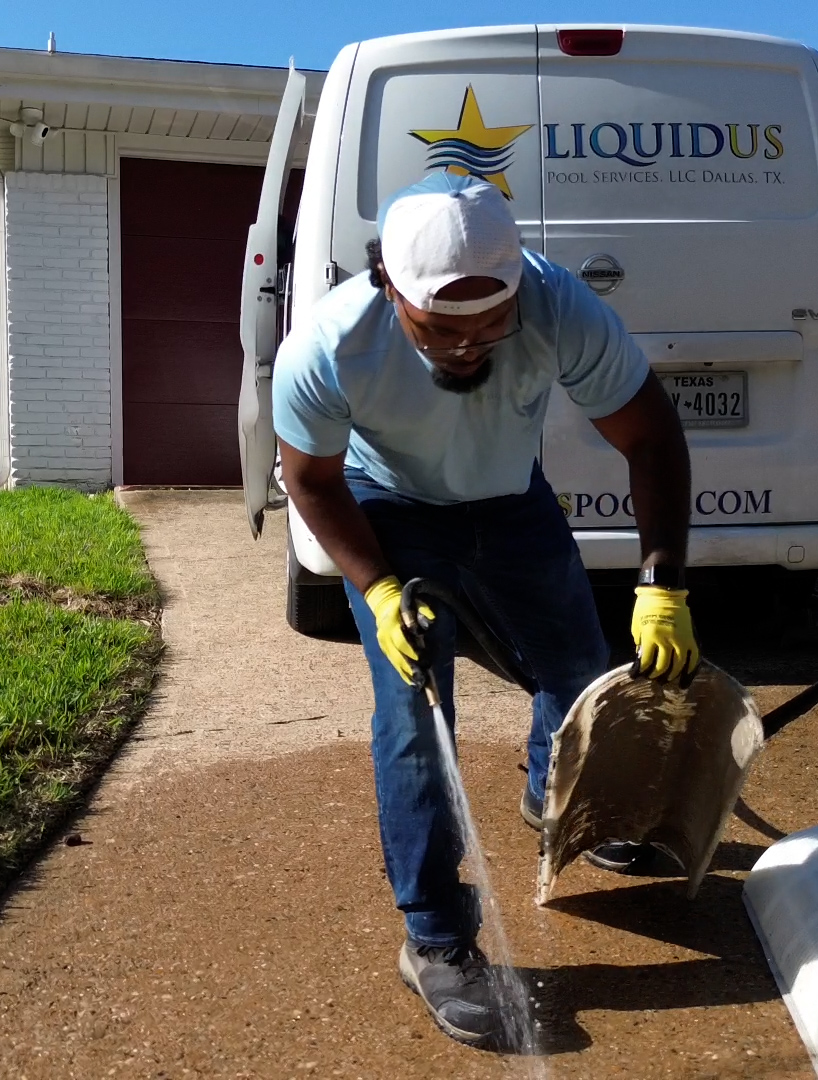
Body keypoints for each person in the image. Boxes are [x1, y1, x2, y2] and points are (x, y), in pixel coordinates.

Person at [271, 171, 699, 1047]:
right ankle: (435, 937)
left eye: (489, 324)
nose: (469, 347)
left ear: (518, 289)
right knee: (415, 714)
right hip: (386, 504)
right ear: (390, 288)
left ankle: (556, 791)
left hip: (510, 500)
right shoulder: (327, 346)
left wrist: (662, 585)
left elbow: (651, 435)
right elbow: (310, 481)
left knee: (579, 671)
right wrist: (381, 588)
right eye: (439, 329)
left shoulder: (556, 304)